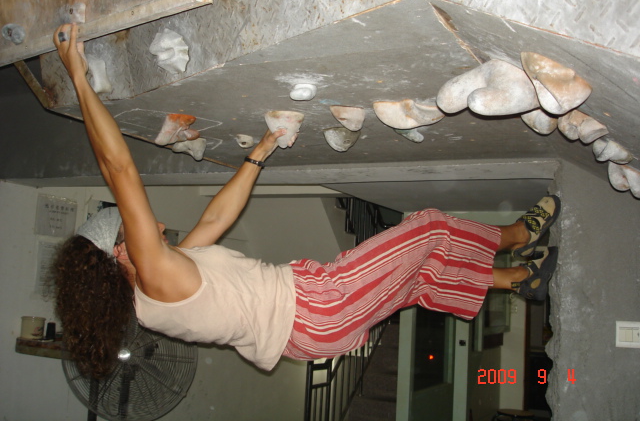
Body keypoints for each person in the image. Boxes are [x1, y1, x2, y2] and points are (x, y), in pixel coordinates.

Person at [50, 24, 560, 379]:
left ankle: (519, 279)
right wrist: (77, 74)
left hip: (306, 336)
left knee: (417, 277)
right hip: (317, 308)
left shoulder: (155, 297)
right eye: (137, 231)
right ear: (121, 253)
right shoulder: (154, 273)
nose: (156, 227)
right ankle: (517, 234)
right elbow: (118, 169)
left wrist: (258, 154)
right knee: (427, 228)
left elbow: (216, 217)